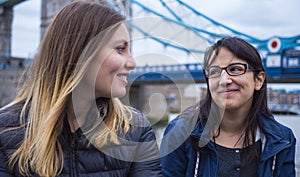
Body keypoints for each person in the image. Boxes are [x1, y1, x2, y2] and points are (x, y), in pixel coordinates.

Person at [0, 1, 162, 177]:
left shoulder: (136, 129)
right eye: (120, 49)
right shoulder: (6, 131)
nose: (132, 63)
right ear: (81, 52)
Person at [160, 37, 296, 177]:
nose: (224, 80)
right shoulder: (180, 133)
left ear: (259, 80)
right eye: (214, 72)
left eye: (235, 69)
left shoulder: (283, 139)